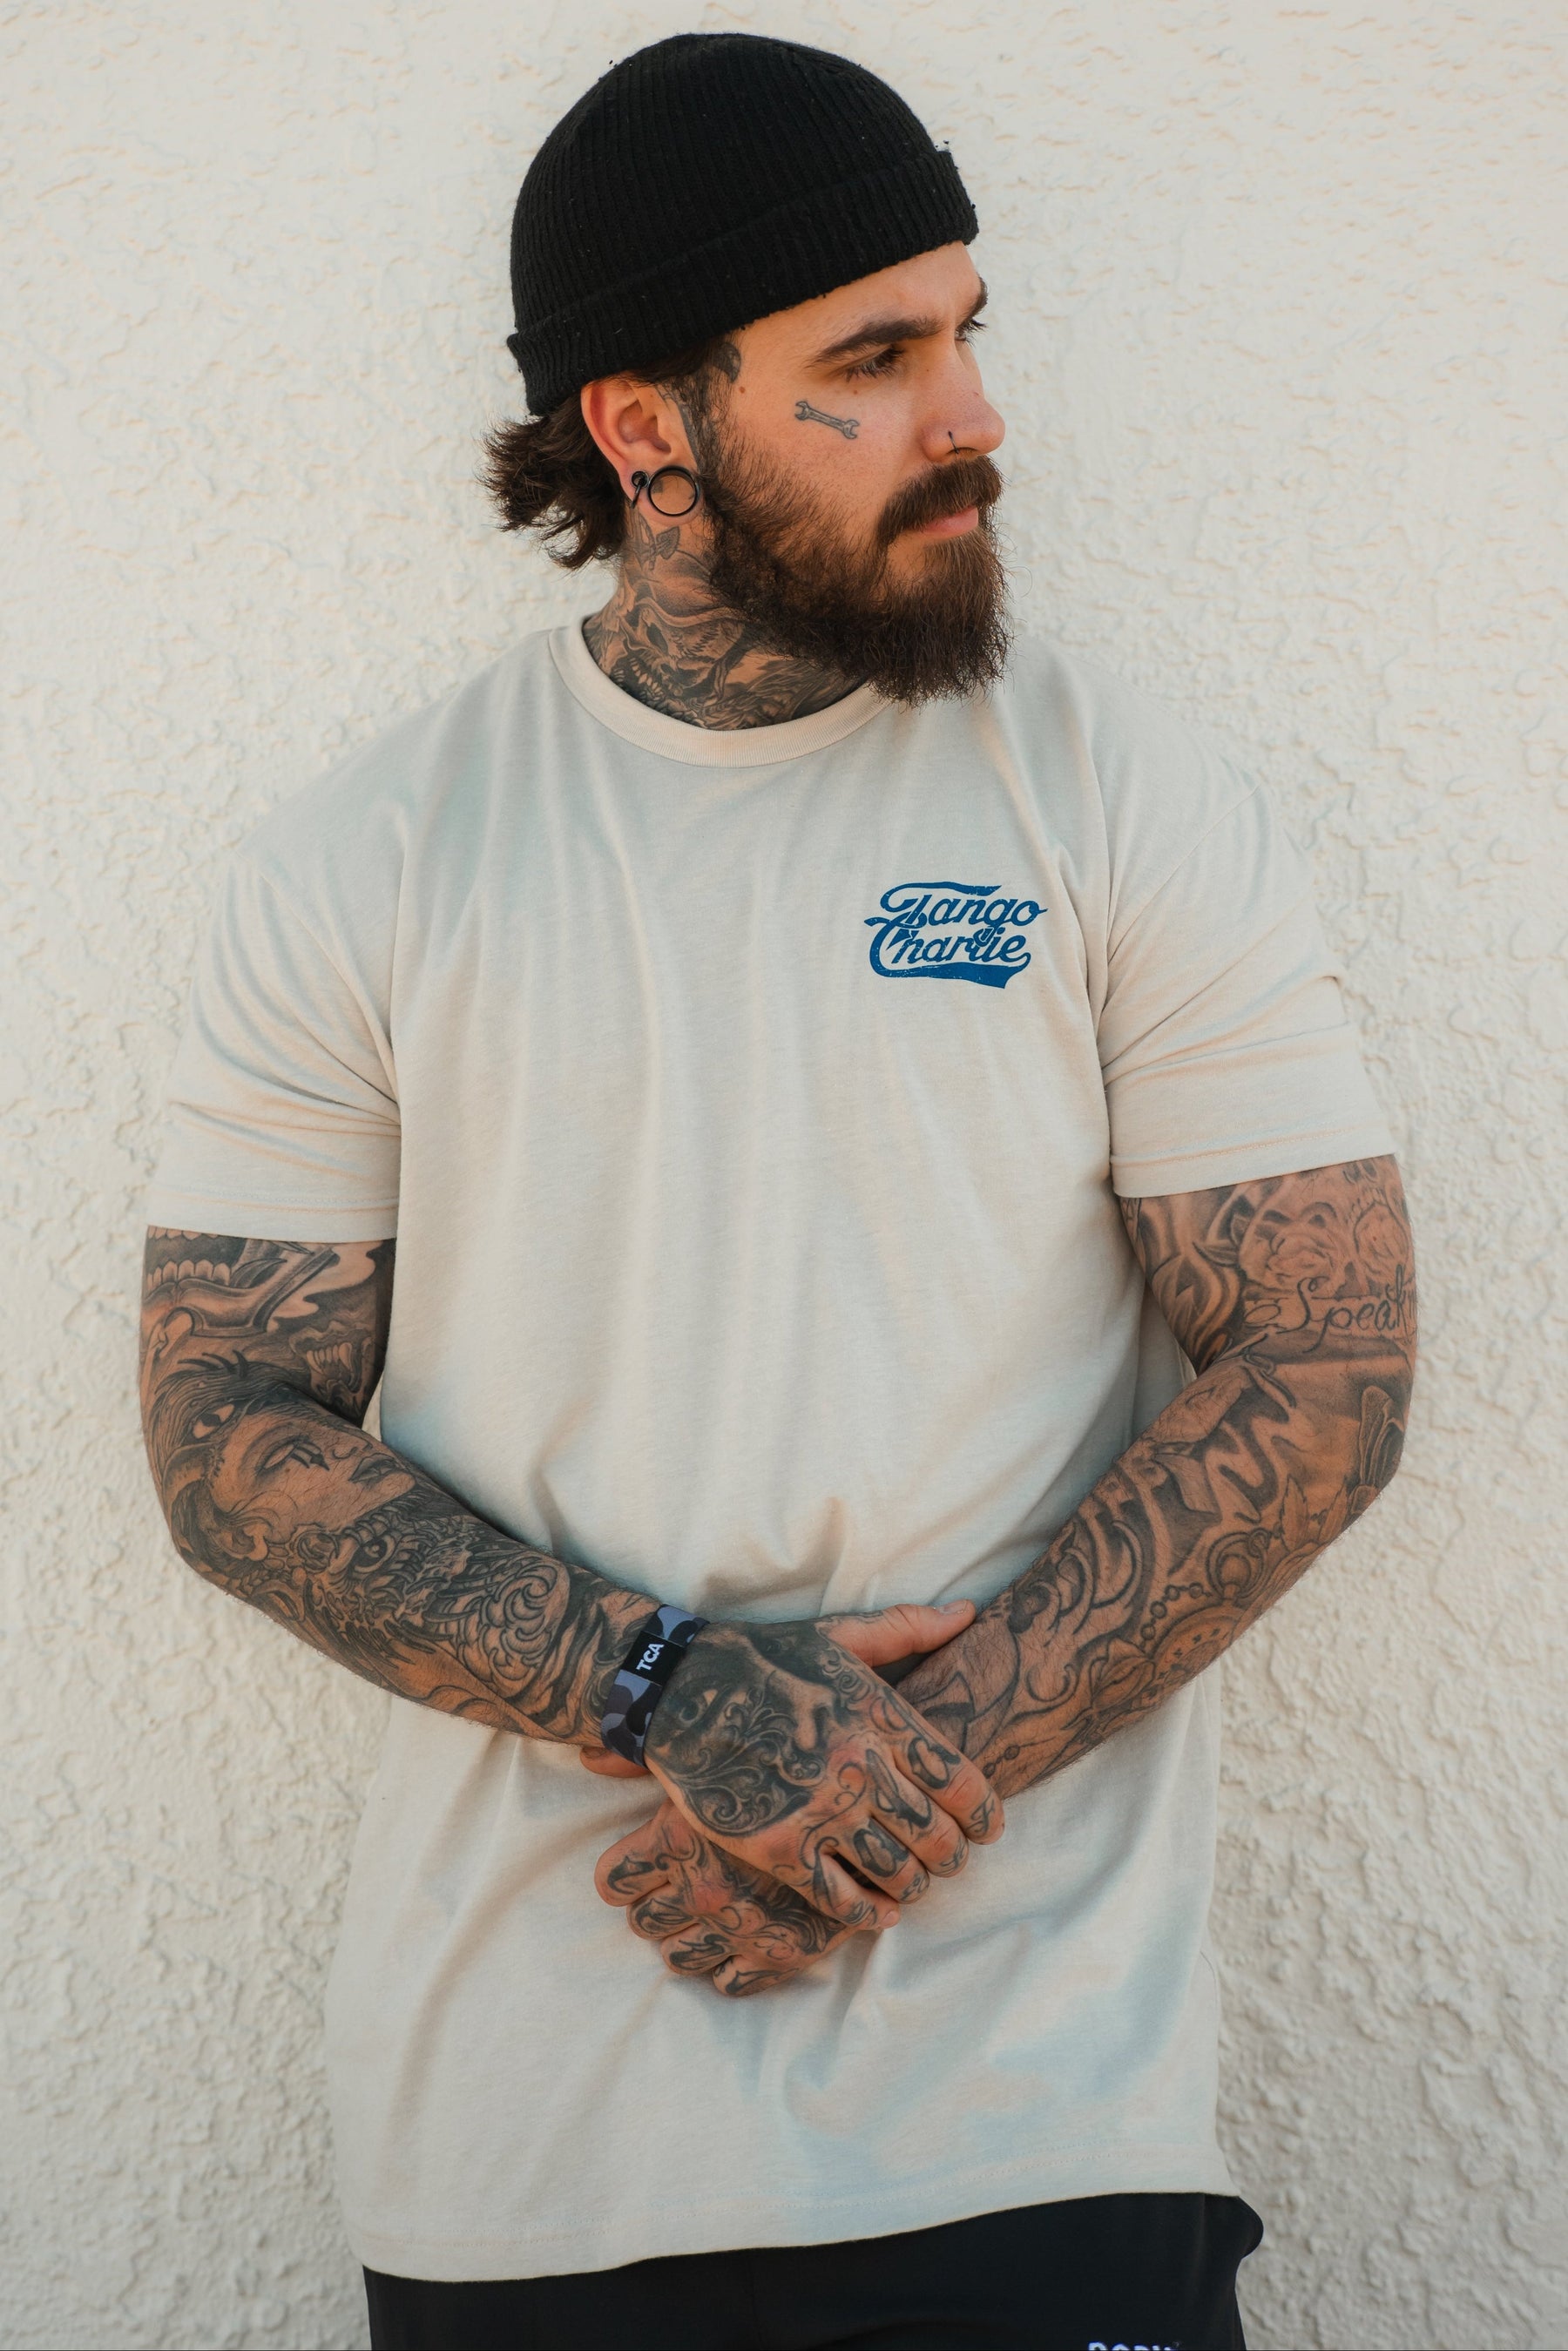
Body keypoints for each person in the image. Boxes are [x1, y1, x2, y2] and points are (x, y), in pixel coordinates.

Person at [139, 31, 1416, 2351]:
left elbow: (1330, 1356)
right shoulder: (374, 862)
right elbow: (224, 1423)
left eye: (965, 331)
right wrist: (662, 1690)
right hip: (522, 2140)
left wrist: (911, 1767)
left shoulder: (1116, 793)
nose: (975, 415)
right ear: (645, 426)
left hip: (1033, 2113)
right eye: (874, 358)